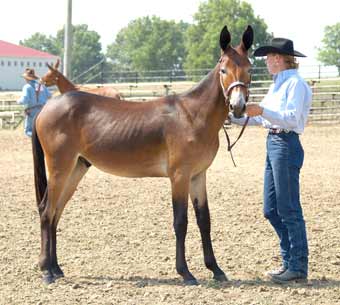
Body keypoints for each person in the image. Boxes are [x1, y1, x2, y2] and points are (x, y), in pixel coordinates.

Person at [230, 38, 312, 283]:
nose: (266, 62)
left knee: (288, 208)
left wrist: (262, 111)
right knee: (271, 209)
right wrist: (228, 119)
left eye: (268, 58)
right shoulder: (278, 85)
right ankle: (290, 261)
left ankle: (297, 265)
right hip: (274, 143)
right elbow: (258, 118)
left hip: (286, 144)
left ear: (278, 58)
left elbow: (289, 118)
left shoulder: (295, 84)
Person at [17, 68, 51, 137]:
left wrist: (18, 101)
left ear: (26, 78)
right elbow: (49, 95)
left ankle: (37, 140)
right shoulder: (40, 85)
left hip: (32, 111)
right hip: (43, 110)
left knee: (28, 131)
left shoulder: (27, 87)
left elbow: (25, 99)